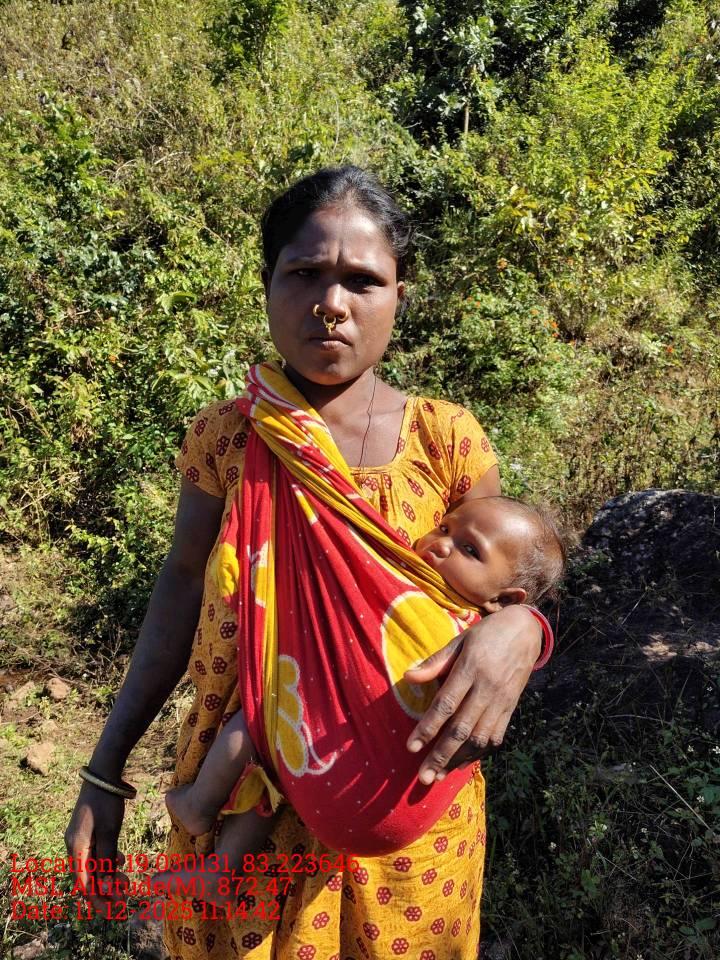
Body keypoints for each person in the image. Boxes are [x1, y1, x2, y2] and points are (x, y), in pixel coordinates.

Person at [65, 165, 554, 960]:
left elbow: (503, 591)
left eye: (363, 280)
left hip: (403, 820)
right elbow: (180, 586)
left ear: (400, 297)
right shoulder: (227, 438)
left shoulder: (446, 440)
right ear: (267, 284)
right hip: (241, 809)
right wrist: (103, 771)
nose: (331, 302)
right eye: (304, 273)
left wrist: (526, 630)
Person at [156, 494, 565, 907]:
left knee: (261, 720)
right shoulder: (465, 626)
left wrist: (530, 627)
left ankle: (200, 803)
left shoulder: (471, 640)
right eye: (444, 527)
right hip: (369, 799)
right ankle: (223, 871)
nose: (441, 544)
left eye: (470, 550)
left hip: (386, 809)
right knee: (273, 764)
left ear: (506, 601)